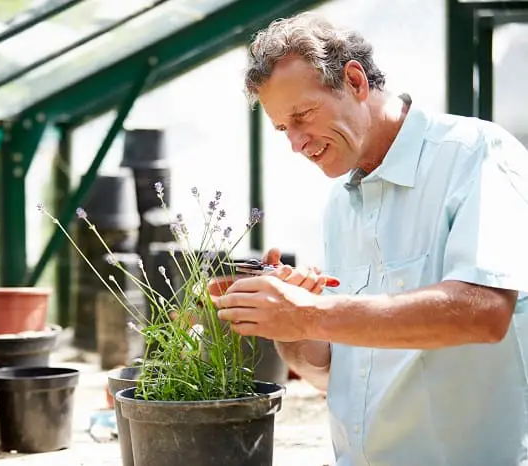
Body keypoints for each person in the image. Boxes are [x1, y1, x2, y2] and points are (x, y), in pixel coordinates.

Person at [210, 11, 528, 466]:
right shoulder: (341, 203)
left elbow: (483, 311)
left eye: (303, 115)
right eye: (284, 129)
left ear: (355, 81)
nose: (296, 144)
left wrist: (312, 314)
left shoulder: (475, 155)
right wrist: (291, 330)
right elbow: (338, 373)